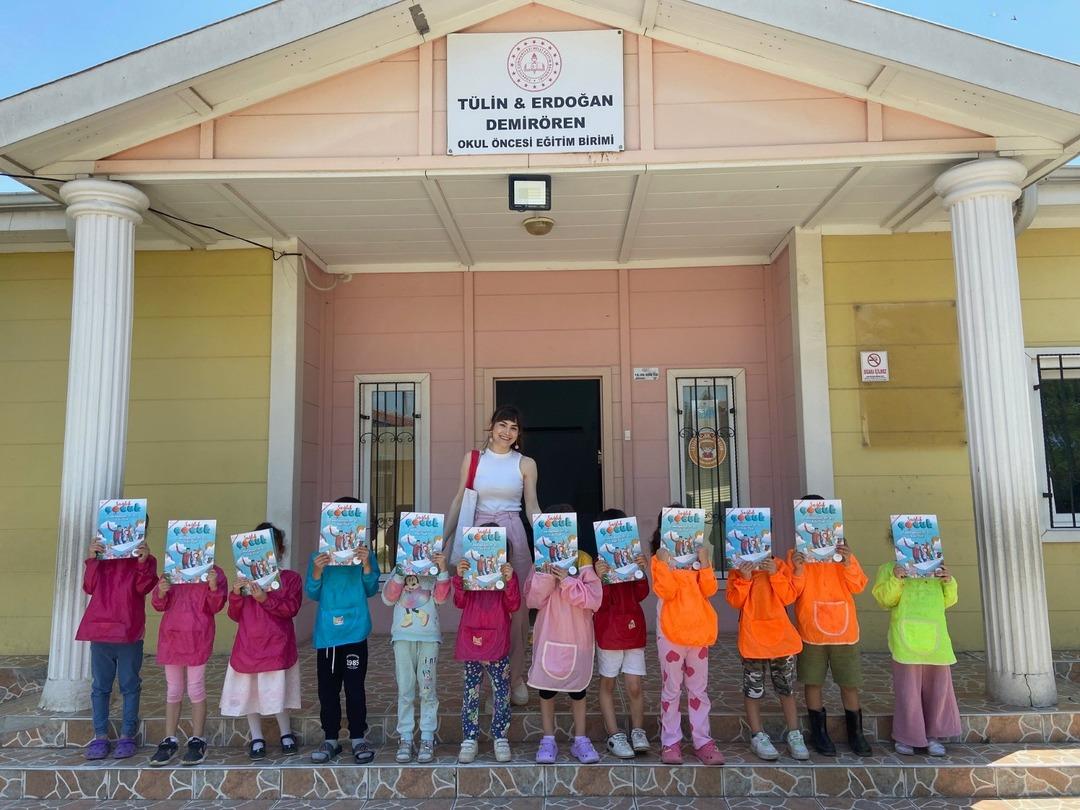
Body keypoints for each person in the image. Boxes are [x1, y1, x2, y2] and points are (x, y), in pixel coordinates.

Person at [446, 405, 540, 706]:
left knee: (517, 612)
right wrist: (442, 539)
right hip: (479, 536)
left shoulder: (526, 463)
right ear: (491, 426)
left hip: (513, 535)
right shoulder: (473, 460)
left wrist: (553, 540)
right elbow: (460, 499)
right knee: (484, 610)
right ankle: (489, 684)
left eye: (514, 428)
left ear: (518, 434)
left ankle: (515, 679)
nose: (507, 432)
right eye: (502, 425)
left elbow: (532, 507)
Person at [789, 494, 872, 756]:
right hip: (811, 630)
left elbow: (858, 585)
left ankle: (855, 733)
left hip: (844, 631)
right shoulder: (796, 555)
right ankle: (820, 734)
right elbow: (791, 593)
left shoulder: (842, 554)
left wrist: (848, 562)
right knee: (813, 682)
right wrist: (799, 570)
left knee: (849, 683)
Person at [305, 496, 382, 765]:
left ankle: (359, 737)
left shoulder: (364, 555)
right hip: (327, 634)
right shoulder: (319, 557)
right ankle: (330, 739)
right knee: (327, 690)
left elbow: (372, 589)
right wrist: (316, 572)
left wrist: (368, 566)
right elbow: (312, 593)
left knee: (354, 687)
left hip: (355, 631)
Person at [220, 522, 303, 760]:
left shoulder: (290, 579)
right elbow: (234, 614)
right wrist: (236, 594)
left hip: (277, 645)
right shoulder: (244, 583)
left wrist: (265, 599)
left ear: (279, 549)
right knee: (250, 693)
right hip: (248, 645)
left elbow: (291, 609)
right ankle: (256, 737)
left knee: (278, 692)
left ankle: (286, 733)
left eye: (271, 546)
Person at [526, 518, 604, 765]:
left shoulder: (583, 560)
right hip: (549, 635)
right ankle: (548, 739)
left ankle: (580, 739)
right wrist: (548, 576)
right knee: (546, 690)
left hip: (577, 636)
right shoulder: (540, 561)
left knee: (578, 691)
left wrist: (568, 581)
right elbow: (532, 599)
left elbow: (593, 599)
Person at [650, 511, 725, 766]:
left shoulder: (698, 559)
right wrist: (662, 562)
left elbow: (710, 589)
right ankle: (670, 741)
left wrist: (704, 562)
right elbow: (666, 590)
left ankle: (703, 741)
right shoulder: (659, 560)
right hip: (670, 632)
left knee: (698, 690)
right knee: (671, 689)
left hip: (698, 632)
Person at [872, 549, 961, 756]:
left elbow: (949, 601)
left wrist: (949, 580)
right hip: (905, 637)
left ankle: (933, 736)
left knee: (938, 689)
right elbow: (885, 600)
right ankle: (907, 736)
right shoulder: (888, 569)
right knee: (908, 690)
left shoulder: (936, 567)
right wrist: (896, 578)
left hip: (935, 638)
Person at [77, 531, 158, 760]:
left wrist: (142, 562)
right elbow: (89, 586)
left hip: (129, 631)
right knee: (100, 686)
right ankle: (100, 735)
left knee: (129, 684)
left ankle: (127, 735)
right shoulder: (102, 556)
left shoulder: (145, 559)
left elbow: (143, 588)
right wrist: (92, 559)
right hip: (100, 629)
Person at [725, 549, 807, 762]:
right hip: (752, 638)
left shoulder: (778, 564)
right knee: (753, 689)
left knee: (786, 687)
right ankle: (757, 734)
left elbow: (789, 596)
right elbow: (734, 601)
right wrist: (745, 579)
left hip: (781, 639)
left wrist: (775, 574)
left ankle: (794, 733)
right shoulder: (737, 567)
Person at [148, 560, 227, 766]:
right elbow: (158, 604)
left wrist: (213, 586)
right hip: (172, 636)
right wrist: (162, 591)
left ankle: (198, 739)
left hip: (198, 637)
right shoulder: (171, 570)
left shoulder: (214, 572)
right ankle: (170, 740)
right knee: (173, 690)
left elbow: (216, 605)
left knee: (195, 689)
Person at [453, 530, 522, 764]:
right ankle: (469, 737)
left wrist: (510, 580)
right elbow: (459, 601)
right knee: (471, 692)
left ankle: (500, 737)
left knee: (501, 692)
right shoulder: (470, 575)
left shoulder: (505, 577)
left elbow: (514, 605)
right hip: (472, 640)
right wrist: (460, 578)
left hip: (497, 642)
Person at [381, 550, 451, 763]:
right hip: (403, 637)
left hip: (429, 638)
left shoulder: (433, 573)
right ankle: (406, 736)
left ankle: (428, 737)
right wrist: (401, 573)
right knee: (405, 688)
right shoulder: (399, 570)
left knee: (428, 688)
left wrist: (443, 570)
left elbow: (441, 598)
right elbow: (387, 599)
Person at [591, 508, 650, 759]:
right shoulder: (599, 566)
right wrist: (600, 577)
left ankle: (637, 730)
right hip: (608, 632)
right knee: (608, 682)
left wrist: (641, 571)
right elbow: (598, 603)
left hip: (633, 629)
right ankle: (614, 733)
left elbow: (641, 593)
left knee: (634, 685)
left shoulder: (631, 559)